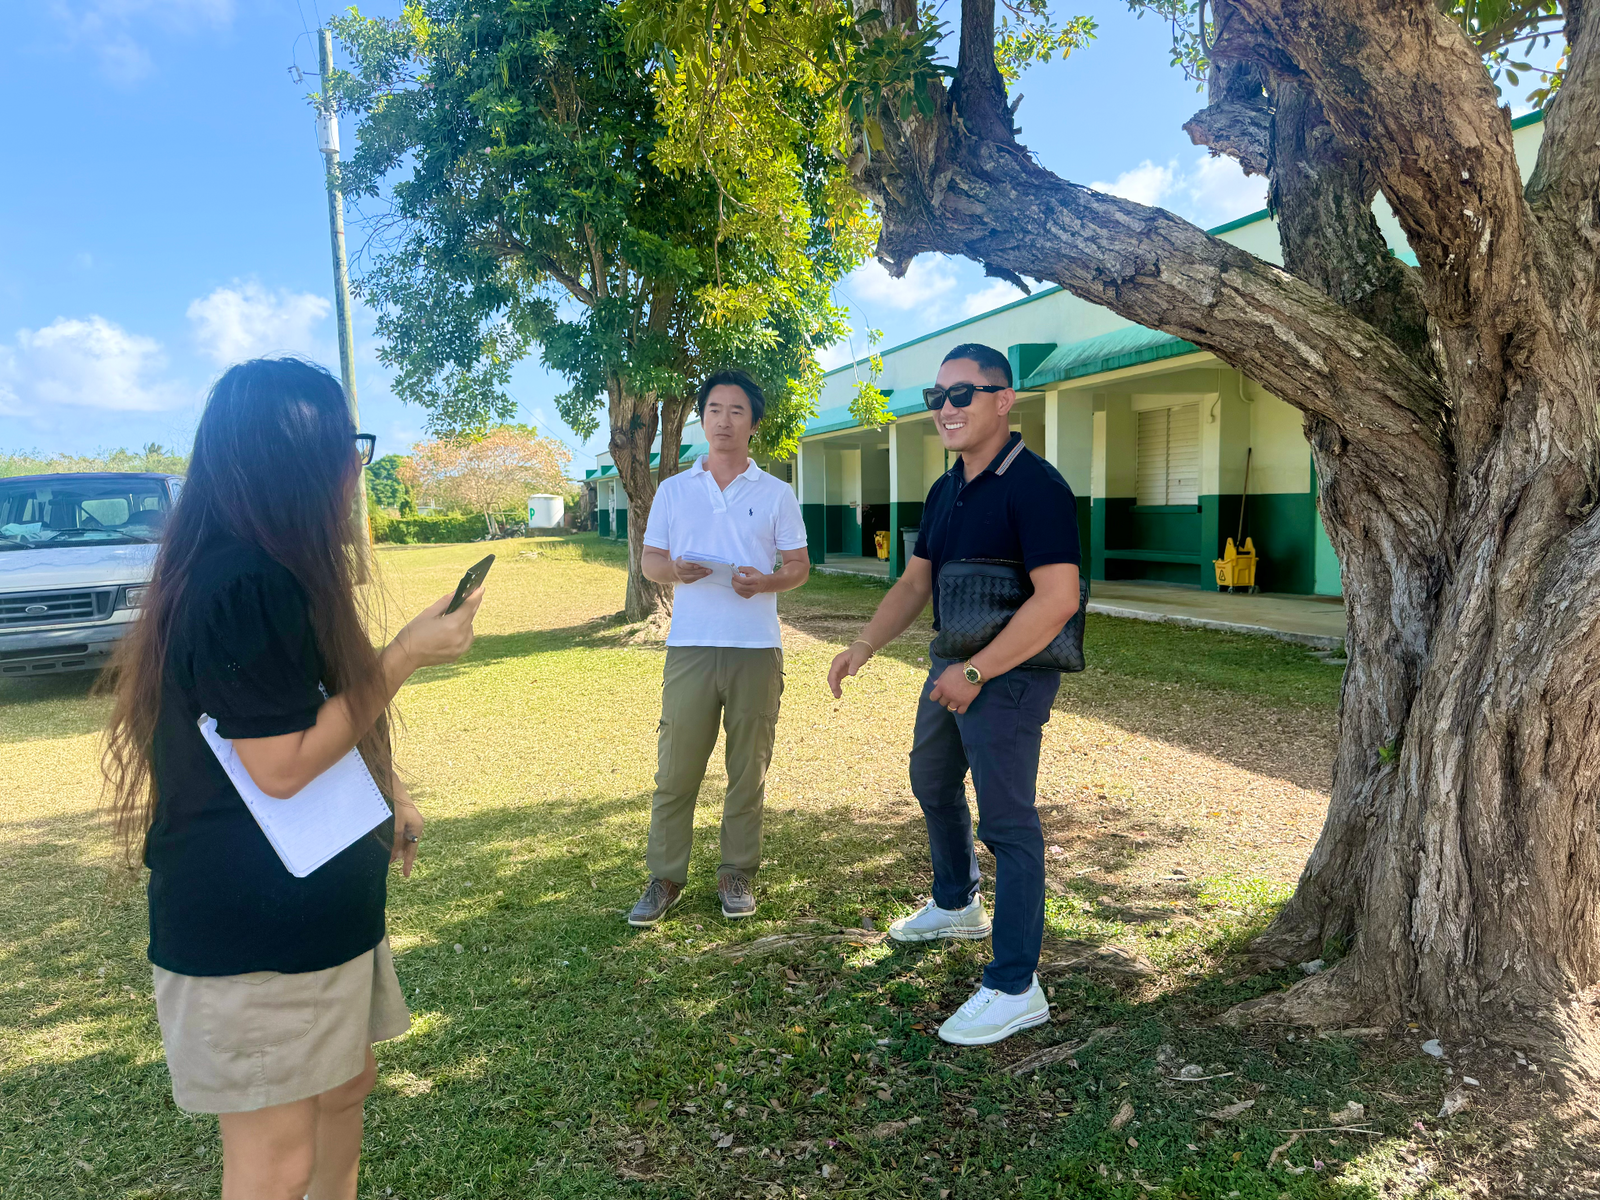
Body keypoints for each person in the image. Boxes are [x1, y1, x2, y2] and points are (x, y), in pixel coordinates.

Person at [101, 358, 483, 1200]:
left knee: (344, 1093)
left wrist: (391, 795)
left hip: (317, 914)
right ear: (294, 459)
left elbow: (312, 709)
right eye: (347, 446)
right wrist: (407, 654)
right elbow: (280, 765)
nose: (357, 468)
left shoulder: (280, 571)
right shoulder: (241, 583)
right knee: (276, 1158)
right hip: (256, 936)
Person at [827, 342, 1081, 1046]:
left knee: (1007, 823)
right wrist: (864, 644)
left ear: (1004, 400)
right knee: (932, 779)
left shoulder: (1037, 487)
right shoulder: (946, 490)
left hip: (1010, 676)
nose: (945, 408)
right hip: (952, 667)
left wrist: (978, 672)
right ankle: (955, 900)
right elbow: (915, 583)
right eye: (935, 397)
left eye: (962, 394)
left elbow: (1057, 600)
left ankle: (1014, 985)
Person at [628, 369, 811, 925]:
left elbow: (799, 568)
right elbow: (651, 561)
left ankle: (737, 873)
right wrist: (676, 571)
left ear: (753, 423)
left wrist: (766, 582)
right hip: (690, 647)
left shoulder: (777, 493)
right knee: (676, 770)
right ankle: (664, 877)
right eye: (714, 410)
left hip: (756, 648)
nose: (723, 420)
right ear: (701, 419)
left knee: (746, 769)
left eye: (736, 411)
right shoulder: (674, 490)